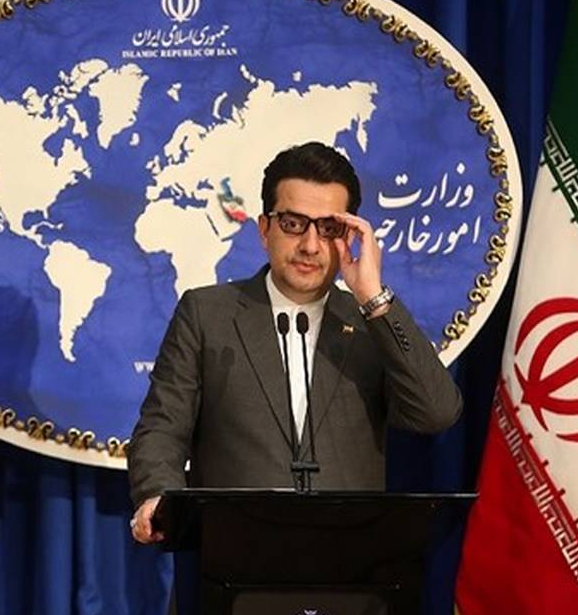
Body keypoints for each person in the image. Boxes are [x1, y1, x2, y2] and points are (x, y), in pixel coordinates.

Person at [127, 141, 462, 544]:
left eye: (329, 228)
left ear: (349, 236)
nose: (310, 245)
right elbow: (162, 426)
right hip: (233, 557)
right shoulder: (207, 314)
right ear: (264, 229)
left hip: (348, 563)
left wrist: (374, 298)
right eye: (293, 224)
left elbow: (436, 412)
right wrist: (157, 495)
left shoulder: (370, 323)